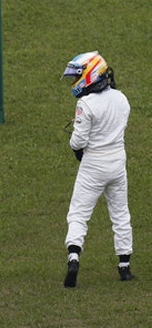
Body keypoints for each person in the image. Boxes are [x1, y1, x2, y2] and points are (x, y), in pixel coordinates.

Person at [60, 51, 133, 287]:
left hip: (93, 165)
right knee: (120, 213)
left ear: (90, 74)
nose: (74, 82)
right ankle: (124, 266)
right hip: (117, 162)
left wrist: (74, 145)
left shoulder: (86, 103)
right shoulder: (121, 98)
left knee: (79, 213)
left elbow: (79, 142)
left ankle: (73, 258)